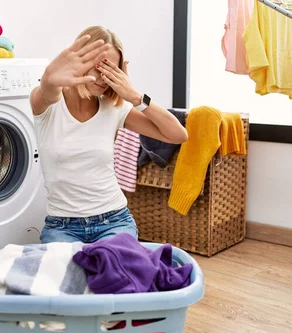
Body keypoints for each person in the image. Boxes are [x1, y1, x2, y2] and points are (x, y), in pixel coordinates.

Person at [30, 26, 188, 244]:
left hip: (114, 221)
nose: (103, 77)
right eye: (97, 66)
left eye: (110, 68)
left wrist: (135, 96)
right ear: (79, 60)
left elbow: (178, 134)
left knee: (114, 272)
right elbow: (47, 89)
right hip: (62, 227)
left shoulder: (113, 108)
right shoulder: (49, 104)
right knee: (68, 276)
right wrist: (49, 77)